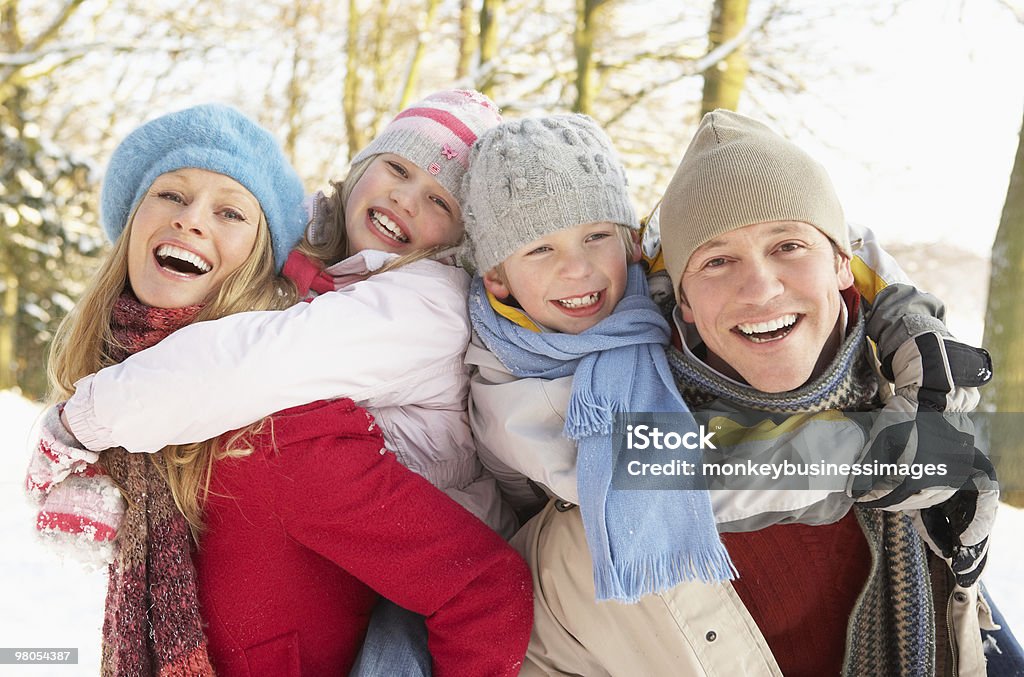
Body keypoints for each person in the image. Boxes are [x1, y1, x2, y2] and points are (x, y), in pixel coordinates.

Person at [461, 110, 1002, 675]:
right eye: (718, 261)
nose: (761, 288)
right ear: (683, 298)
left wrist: (911, 322)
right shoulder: (564, 431)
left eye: (789, 247)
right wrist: (879, 461)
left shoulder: (907, 406)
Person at [24, 103, 532, 676]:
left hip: (435, 542)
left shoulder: (407, 314)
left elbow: (255, 361)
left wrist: (81, 423)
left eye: (441, 200)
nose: (408, 199)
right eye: (397, 169)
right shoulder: (317, 295)